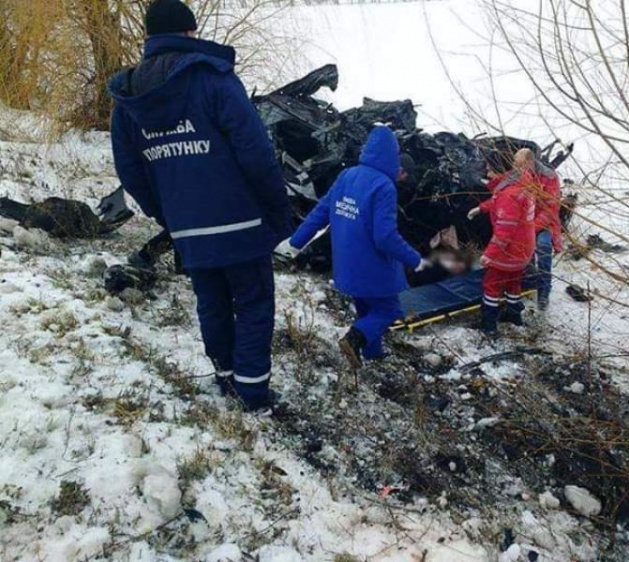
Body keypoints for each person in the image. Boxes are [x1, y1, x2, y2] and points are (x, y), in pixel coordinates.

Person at [108, 0, 292, 411]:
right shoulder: (213, 78)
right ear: (189, 33)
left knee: (211, 301)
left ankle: (226, 376)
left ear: (149, 39)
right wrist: (277, 210)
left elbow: (131, 171)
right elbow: (255, 152)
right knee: (254, 303)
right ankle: (253, 395)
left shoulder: (127, 101)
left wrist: (167, 214)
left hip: (188, 227)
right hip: (241, 222)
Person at [289, 126, 429, 368]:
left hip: (346, 261)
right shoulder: (384, 186)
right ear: (391, 155)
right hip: (372, 264)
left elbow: (321, 212)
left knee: (366, 307)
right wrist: (414, 259)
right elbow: (385, 237)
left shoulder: (348, 175)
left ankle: (372, 353)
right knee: (388, 310)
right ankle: (355, 338)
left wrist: (295, 242)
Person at [467, 148, 537, 332]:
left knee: (492, 284)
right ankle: (514, 315)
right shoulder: (521, 184)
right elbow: (499, 201)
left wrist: (489, 255)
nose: (487, 173)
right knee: (514, 282)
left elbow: (504, 232)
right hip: (524, 249)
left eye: (489, 169)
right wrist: (481, 208)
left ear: (500, 171)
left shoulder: (509, 194)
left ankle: (488, 324)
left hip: (509, 251)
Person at [531, 160, 563, 311]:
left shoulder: (550, 178)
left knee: (543, 248)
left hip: (545, 224)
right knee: (524, 251)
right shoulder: (521, 175)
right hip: (527, 222)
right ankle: (527, 281)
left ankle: (544, 290)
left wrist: (531, 228)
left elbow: (550, 210)